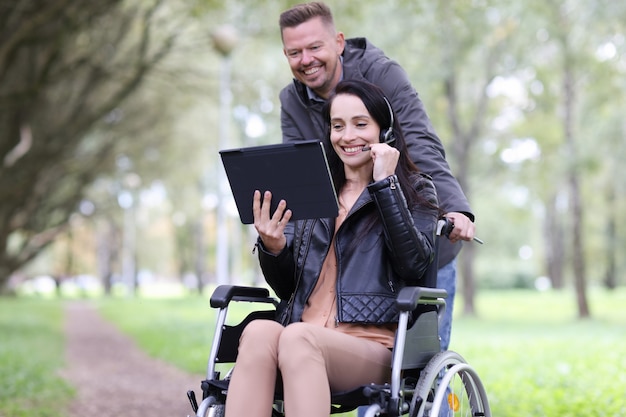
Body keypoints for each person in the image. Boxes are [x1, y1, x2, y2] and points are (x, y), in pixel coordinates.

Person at [223, 79, 440, 417]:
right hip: (302, 334)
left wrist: (386, 185)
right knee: (259, 331)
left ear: (385, 131)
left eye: (360, 124)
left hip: (373, 348)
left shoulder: (415, 190)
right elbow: (287, 287)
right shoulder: (313, 189)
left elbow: (414, 265)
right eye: (337, 126)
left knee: (297, 338)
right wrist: (273, 246)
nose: (347, 136)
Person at [278, 1, 476, 354]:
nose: (305, 59)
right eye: (294, 52)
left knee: (419, 374)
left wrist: (456, 208)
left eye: (314, 47)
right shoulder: (291, 101)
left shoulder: (381, 74)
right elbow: (301, 173)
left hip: (410, 237)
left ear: (338, 42)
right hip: (353, 251)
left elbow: (419, 140)